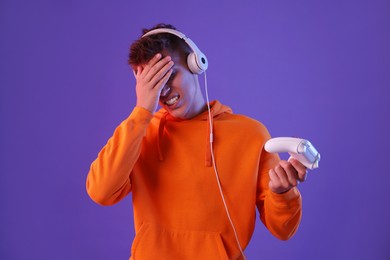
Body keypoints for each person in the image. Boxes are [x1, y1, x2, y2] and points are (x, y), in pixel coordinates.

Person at [86, 23, 308, 260]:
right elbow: (101, 192)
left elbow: (283, 230)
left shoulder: (251, 134)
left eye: (169, 75)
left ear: (196, 64)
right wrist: (142, 111)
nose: (163, 91)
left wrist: (282, 193)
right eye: (154, 83)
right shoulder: (139, 132)